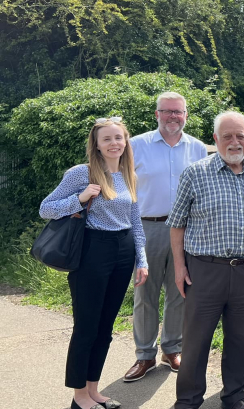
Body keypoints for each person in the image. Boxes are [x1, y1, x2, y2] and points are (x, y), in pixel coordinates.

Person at [168, 111, 244, 409]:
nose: (234, 142)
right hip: (205, 271)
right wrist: (180, 267)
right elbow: (177, 224)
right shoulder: (195, 173)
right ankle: (189, 400)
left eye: (240, 136)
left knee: (243, 340)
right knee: (196, 342)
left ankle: (234, 395)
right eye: (227, 136)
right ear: (216, 139)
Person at [40, 117, 149, 409]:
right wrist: (80, 198)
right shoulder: (82, 173)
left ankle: (93, 390)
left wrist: (142, 260)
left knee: (105, 327)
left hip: (123, 250)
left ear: (126, 142)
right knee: (86, 326)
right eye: (107, 139)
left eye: (119, 138)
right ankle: (79, 396)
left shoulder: (128, 174)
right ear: (97, 145)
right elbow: (46, 208)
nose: (114, 143)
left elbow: (135, 222)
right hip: (92, 250)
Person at [125, 92, 207, 382]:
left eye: (178, 112)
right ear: (157, 114)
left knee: (180, 291)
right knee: (144, 293)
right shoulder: (136, 146)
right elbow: (122, 187)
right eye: (167, 111)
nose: (173, 116)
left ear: (186, 115)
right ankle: (144, 355)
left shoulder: (197, 148)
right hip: (148, 226)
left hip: (187, 230)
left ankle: (172, 348)